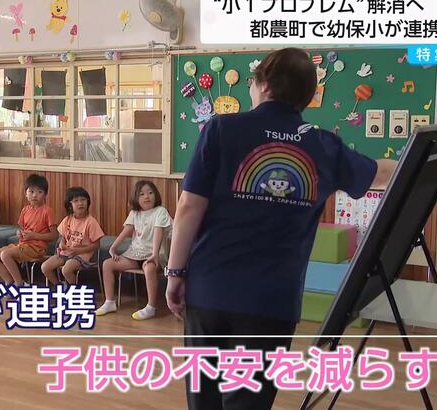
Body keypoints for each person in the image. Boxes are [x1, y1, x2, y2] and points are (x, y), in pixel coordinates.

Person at [165, 47, 397, 410]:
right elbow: (382, 173)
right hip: (272, 300)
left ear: (263, 84)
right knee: (249, 403)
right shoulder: (323, 145)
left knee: (204, 398)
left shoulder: (221, 128)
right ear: (307, 96)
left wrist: (175, 273)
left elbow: (189, 207)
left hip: (209, 289)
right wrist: (427, 150)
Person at [95, 180, 172, 321]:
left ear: (156, 195)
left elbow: (158, 232)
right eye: (142, 194)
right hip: (135, 254)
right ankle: (109, 302)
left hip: (154, 255)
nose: (147, 196)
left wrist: (155, 254)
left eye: (150, 193)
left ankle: (151, 307)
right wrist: (113, 248)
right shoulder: (134, 213)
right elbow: (126, 231)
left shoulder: (160, 211)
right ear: (136, 198)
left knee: (149, 268)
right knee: (107, 264)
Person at [0, 173, 58, 286]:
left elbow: (54, 235)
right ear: (26, 194)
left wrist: (34, 235)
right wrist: (19, 233)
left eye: (39, 192)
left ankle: (20, 284)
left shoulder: (47, 211)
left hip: (37, 248)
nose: (35, 195)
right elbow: (21, 229)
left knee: (5, 255)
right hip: (22, 245)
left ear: (45, 194)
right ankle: (10, 283)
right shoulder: (25, 210)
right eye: (31, 191)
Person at [41, 187, 104, 285]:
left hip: (82, 255)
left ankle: (74, 290)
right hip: (66, 253)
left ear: (88, 202)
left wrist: (78, 251)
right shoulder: (67, 219)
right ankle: (60, 287)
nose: (80, 203)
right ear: (70, 205)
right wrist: (62, 244)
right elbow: (62, 237)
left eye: (83, 200)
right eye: (76, 201)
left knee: (66, 270)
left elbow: (96, 245)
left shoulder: (91, 222)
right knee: (45, 267)